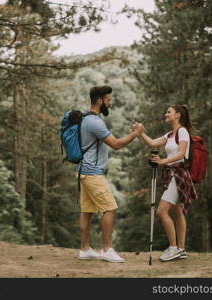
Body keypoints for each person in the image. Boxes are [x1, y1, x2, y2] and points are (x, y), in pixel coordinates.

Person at [78, 85, 144, 263]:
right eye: (108, 100)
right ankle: (106, 250)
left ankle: (84, 249)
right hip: (93, 173)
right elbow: (115, 144)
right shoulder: (95, 122)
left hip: (84, 172)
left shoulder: (86, 118)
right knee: (110, 208)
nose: (110, 102)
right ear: (100, 101)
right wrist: (136, 134)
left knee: (87, 211)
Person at [135, 104, 197, 262]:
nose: (166, 114)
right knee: (177, 213)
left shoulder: (182, 131)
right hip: (171, 174)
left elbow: (182, 154)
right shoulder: (170, 134)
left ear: (178, 115)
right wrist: (140, 133)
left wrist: (162, 161)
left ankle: (173, 248)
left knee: (162, 211)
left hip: (179, 174)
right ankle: (181, 250)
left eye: (169, 112)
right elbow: (153, 144)